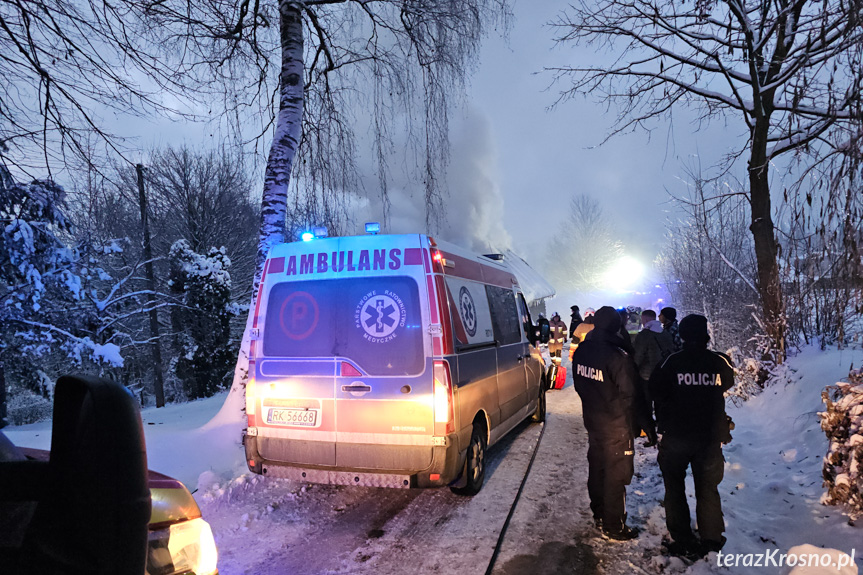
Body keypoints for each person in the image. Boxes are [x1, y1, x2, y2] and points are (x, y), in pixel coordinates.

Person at [649, 314, 734, 558]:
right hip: (709, 437)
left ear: (683, 335)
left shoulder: (671, 362)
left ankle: (682, 537)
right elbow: (727, 383)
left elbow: (655, 390)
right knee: (708, 488)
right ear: (706, 334)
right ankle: (711, 539)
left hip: (676, 436)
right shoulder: (720, 361)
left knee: (674, 487)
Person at [571, 306, 641, 541]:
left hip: (593, 420)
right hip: (616, 425)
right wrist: (635, 424)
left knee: (597, 467)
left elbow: (580, 384)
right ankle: (614, 525)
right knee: (617, 475)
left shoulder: (583, 350)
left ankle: (599, 513)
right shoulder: (617, 356)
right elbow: (630, 395)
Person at [633, 310, 673, 447]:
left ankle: (648, 432)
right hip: (664, 374)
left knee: (646, 404)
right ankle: (662, 429)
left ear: (644, 319)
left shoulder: (644, 335)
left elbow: (638, 356)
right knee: (661, 403)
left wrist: (633, 370)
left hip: (647, 375)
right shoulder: (665, 333)